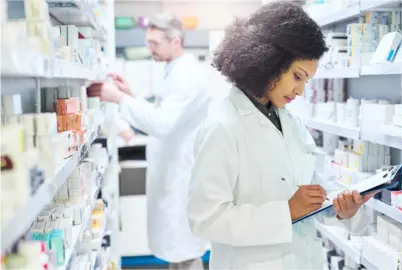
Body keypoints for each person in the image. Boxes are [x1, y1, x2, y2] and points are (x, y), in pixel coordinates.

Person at [187, 3, 372, 269]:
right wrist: (285, 212)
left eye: (306, 80)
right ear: (268, 60)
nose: (299, 91)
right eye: (297, 76)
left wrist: (342, 207)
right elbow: (205, 218)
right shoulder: (222, 127)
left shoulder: (291, 122)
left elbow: (314, 186)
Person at [88, 12, 208, 270]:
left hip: (182, 174)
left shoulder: (188, 76)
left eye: (155, 43)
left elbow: (162, 124)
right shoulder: (173, 70)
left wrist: (120, 99)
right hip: (171, 169)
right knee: (178, 253)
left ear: (175, 41)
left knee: (185, 251)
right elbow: (162, 113)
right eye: (148, 42)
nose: (149, 48)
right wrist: (130, 94)